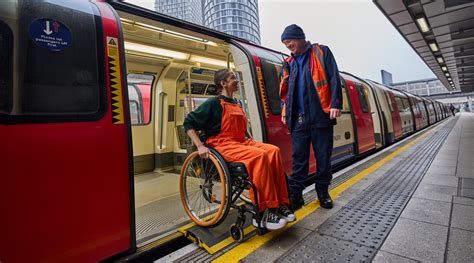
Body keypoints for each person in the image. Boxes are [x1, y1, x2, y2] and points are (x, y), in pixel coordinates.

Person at [183, 68, 295, 231]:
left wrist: (251, 141)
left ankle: (280, 203)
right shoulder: (213, 104)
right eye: (232, 78)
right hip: (223, 144)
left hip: (242, 142)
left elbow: (243, 129)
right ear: (223, 83)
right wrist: (200, 146)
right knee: (260, 156)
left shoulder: (238, 103)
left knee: (274, 151)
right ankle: (263, 211)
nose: (236, 81)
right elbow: (189, 123)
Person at [279, 24, 343, 211]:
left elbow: (333, 77)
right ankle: (296, 196)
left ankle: (322, 191)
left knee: (323, 157)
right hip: (298, 118)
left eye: (289, 41)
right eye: (284, 43)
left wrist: (336, 103)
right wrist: (285, 111)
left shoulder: (321, 52)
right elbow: (285, 92)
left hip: (320, 114)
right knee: (299, 158)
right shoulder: (288, 63)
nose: (287, 45)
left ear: (300, 37)